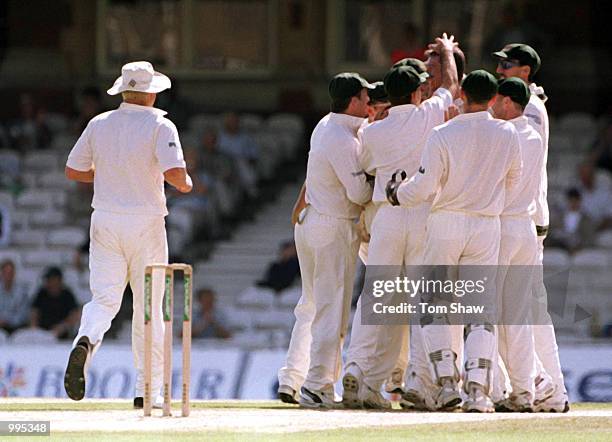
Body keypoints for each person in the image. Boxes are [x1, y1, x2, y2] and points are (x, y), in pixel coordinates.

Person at [387, 70, 522, 412]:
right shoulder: (508, 132)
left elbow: (424, 186)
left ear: (461, 93)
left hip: (446, 221)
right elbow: (515, 179)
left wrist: (396, 195)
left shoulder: (443, 132)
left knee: (435, 306)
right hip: (485, 224)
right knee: (478, 310)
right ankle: (477, 392)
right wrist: (488, 201)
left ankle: (447, 385)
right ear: (493, 98)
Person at [63, 61, 192, 409]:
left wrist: (109, 177)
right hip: (145, 222)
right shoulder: (160, 125)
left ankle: (87, 339)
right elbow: (177, 175)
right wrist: (186, 182)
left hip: (104, 218)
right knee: (150, 306)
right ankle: (146, 388)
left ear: (123, 90)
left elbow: (74, 170)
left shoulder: (99, 123)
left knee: (104, 299)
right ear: (151, 92)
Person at [343, 33, 460, 410]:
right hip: (423, 217)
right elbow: (452, 85)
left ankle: (357, 370)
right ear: (416, 93)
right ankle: (420, 382)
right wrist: (445, 53)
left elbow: (364, 171)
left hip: (387, 221)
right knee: (425, 303)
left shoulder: (372, 132)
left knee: (374, 299)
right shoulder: (430, 116)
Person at [277, 72, 373, 408]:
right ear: (353, 101)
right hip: (331, 225)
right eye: (365, 97)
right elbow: (359, 191)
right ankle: (317, 384)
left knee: (311, 305)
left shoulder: (327, 124)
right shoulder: (342, 139)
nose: (370, 103)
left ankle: (292, 378)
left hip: (312, 220)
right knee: (331, 309)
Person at [494, 43, 569, 412]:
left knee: (516, 314)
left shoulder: (531, 111)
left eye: (507, 65)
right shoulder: (526, 106)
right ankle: (552, 391)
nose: (500, 70)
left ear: (525, 72)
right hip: (526, 221)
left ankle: (538, 387)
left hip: (523, 220)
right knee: (533, 314)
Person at [490, 78, 544, 412]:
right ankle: (523, 390)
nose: (493, 105)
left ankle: (495, 389)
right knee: (518, 316)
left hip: (503, 227)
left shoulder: (506, 134)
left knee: (489, 316)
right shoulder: (533, 135)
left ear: (510, 103)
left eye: (497, 99)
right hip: (524, 226)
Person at [30, 267, 80, 339]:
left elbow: (75, 314)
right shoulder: (42, 294)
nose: (49, 282)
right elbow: (34, 312)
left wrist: (63, 326)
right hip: (42, 333)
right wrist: (34, 328)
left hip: (61, 334)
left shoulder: (67, 295)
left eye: (51, 279)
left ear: (58, 280)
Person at [548, 188, 596, 253]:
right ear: (567, 201)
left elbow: (588, 237)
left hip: (579, 248)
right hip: (561, 246)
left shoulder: (586, 219)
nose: (573, 203)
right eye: (571, 201)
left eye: (575, 201)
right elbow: (554, 233)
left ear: (579, 201)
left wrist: (579, 247)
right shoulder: (560, 217)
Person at [0, 259, 30, 334]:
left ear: (14, 274)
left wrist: (7, 320)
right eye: (5, 273)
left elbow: (23, 315)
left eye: (10, 273)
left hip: (16, 329)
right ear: (1, 274)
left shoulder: (22, 292)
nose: (8, 275)